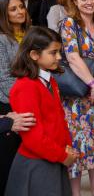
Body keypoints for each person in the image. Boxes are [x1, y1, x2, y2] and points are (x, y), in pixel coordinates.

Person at [5, 26, 79, 196]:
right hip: (37, 164)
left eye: (59, 52)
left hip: (53, 158)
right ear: (34, 55)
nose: (59, 57)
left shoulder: (50, 81)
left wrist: (67, 147)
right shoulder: (25, 87)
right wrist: (61, 155)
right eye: (53, 53)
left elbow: (58, 118)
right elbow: (33, 137)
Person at [58, 0, 94, 196]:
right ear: (74, 1)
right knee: (78, 146)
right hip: (79, 93)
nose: (89, 2)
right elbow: (72, 57)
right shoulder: (69, 23)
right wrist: (93, 85)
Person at [0, 0, 31, 195]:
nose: (20, 11)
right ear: (4, 15)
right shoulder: (2, 39)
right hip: (10, 106)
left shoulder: (31, 34)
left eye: (21, 7)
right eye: (13, 9)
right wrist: (23, 102)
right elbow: (3, 77)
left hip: (30, 103)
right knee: (8, 164)